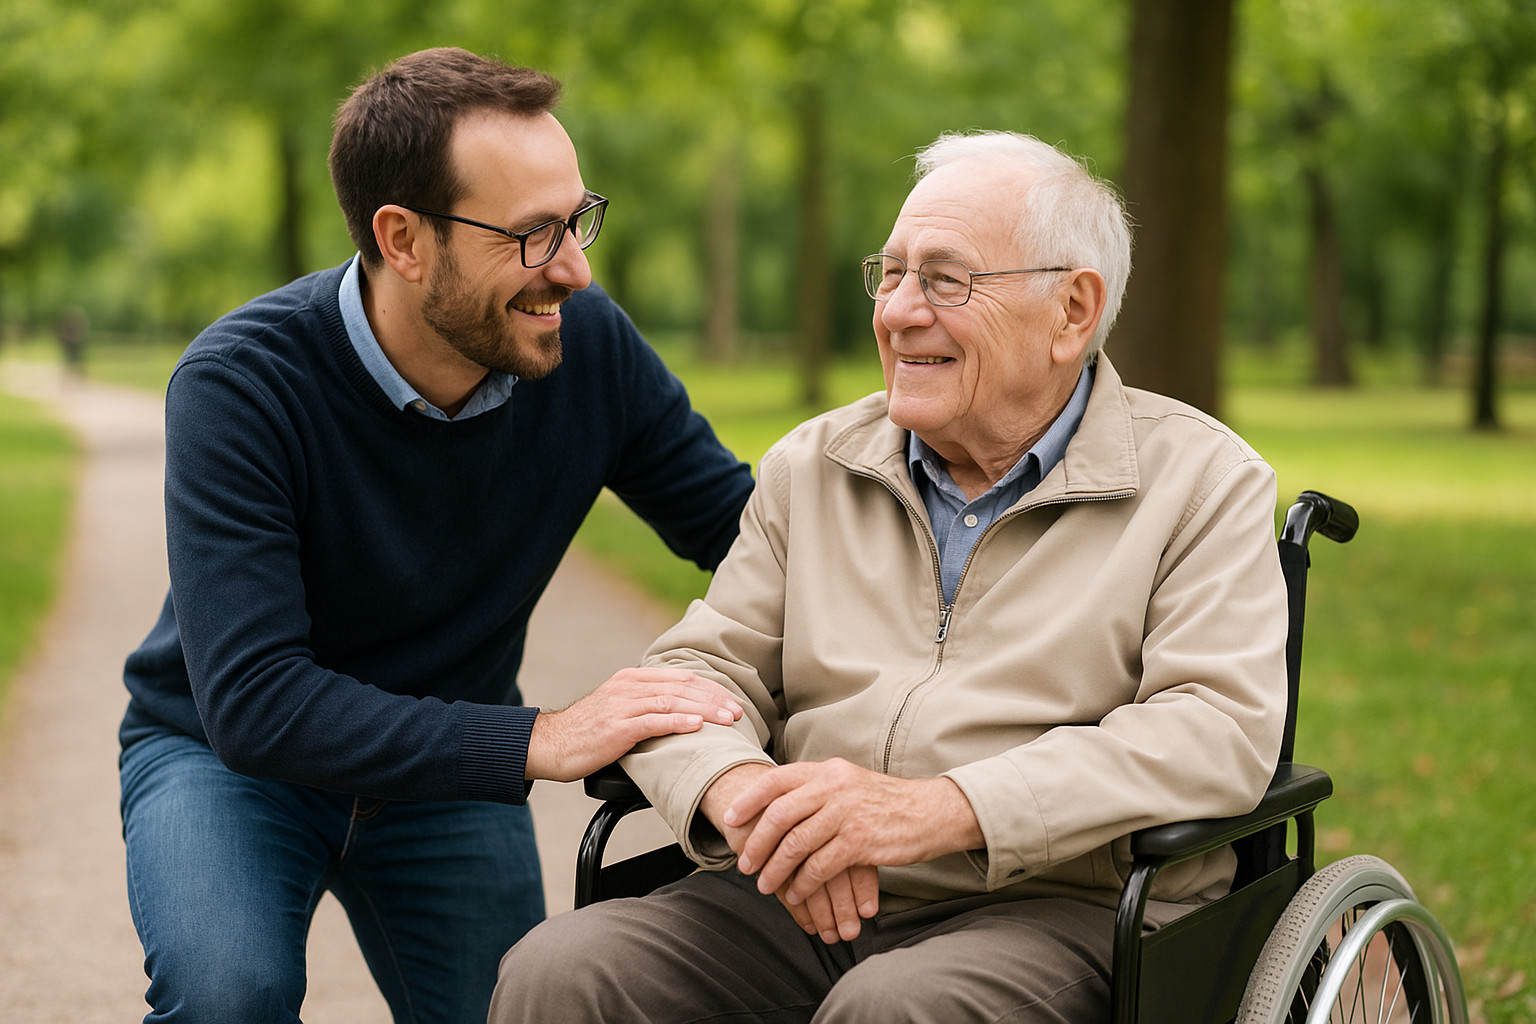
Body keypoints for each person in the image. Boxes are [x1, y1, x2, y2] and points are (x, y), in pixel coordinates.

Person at [490, 130, 1289, 1023]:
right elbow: (699, 673)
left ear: (1072, 311)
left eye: (946, 280)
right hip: (799, 898)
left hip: (1057, 906)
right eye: (893, 273)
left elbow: (1214, 729)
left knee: (898, 1009)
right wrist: (746, 800)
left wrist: (948, 811)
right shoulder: (817, 464)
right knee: (561, 970)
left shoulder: (1200, 482)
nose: (899, 312)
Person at [117, 48, 754, 1024]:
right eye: (534, 236)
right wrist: (541, 738)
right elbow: (253, 702)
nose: (576, 270)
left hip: (445, 782)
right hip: (230, 765)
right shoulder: (241, 384)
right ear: (403, 239)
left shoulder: (593, 351)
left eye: (579, 219)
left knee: (522, 1004)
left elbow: (748, 538)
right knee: (226, 993)